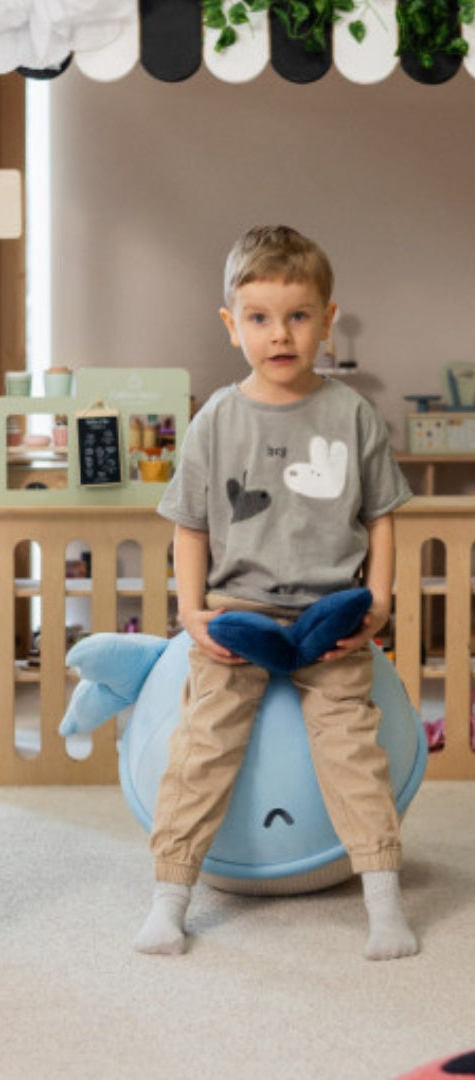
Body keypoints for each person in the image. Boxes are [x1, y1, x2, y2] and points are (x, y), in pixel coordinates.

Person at [134, 224, 417, 961]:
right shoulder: (216, 419)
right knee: (203, 743)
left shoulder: (352, 414)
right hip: (240, 615)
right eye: (259, 318)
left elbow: (381, 519)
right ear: (232, 326)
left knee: (352, 746)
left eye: (297, 316)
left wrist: (379, 600)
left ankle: (383, 898)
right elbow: (190, 527)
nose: (280, 334)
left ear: (327, 320)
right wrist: (192, 613)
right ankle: (170, 896)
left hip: (331, 617)